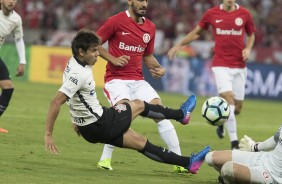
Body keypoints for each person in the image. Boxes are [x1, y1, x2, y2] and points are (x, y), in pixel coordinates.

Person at [44, 29, 211, 175]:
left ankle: (189, 163)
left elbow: (73, 97)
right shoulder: (79, 74)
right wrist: (48, 134)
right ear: (81, 51)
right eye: (94, 51)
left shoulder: (72, 63)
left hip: (90, 129)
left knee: (140, 143)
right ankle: (181, 114)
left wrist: (78, 120)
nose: (98, 54)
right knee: (138, 104)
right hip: (101, 122)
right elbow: (55, 102)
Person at [96, 0, 196, 172]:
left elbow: (147, 56)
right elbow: (94, 42)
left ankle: (179, 162)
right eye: (140, 0)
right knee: (122, 116)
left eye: (146, 1)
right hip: (116, 80)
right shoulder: (116, 21)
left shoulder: (150, 27)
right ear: (130, 1)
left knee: (160, 112)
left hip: (138, 80)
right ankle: (105, 159)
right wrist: (113, 59)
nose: (144, 4)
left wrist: (157, 68)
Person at [168, 0, 256, 149]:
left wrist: (248, 48)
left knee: (237, 109)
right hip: (220, 64)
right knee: (229, 99)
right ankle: (234, 143)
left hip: (240, 66)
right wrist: (179, 45)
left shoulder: (244, 14)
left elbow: (251, 35)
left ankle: (222, 121)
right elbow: (196, 33)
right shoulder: (212, 14)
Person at [205, 126, 282, 184]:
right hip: (263, 158)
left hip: (272, 176)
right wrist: (254, 147)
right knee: (210, 157)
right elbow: (276, 139)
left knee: (227, 169)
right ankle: (232, 178)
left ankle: (231, 179)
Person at [0, 0, 26, 133]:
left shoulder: (16, 19)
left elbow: (18, 38)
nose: (11, 1)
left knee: (8, 87)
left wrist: (22, 61)